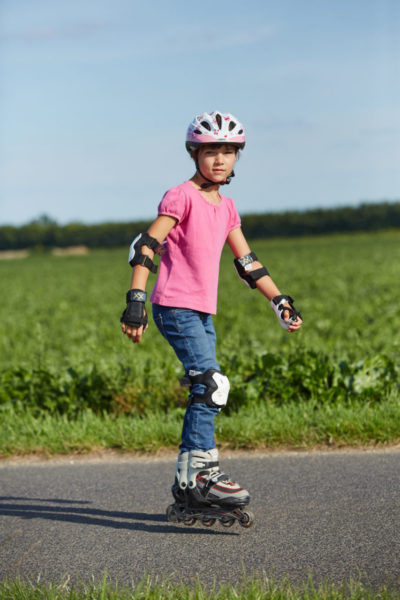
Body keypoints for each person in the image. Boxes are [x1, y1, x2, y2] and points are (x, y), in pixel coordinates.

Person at [120, 111, 302, 527]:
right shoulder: (180, 196)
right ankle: (204, 474)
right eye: (210, 151)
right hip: (174, 305)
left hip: (201, 310)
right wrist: (136, 300)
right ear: (194, 154)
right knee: (211, 383)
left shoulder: (227, 206)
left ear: (237, 156)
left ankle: (190, 480)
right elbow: (147, 245)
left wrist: (280, 302)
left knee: (205, 387)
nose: (219, 160)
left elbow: (248, 262)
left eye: (227, 152)